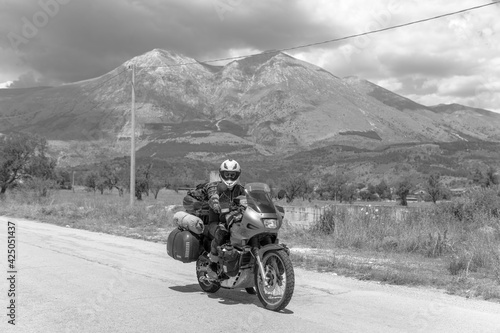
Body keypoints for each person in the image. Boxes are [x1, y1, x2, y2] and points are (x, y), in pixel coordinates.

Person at [205, 159, 245, 279]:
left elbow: (250, 199)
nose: (229, 177)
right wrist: (215, 203)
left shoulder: (241, 189)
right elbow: (213, 196)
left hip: (234, 221)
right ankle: (212, 263)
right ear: (221, 174)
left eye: (232, 175)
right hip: (216, 222)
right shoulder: (214, 187)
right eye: (227, 174)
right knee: (222, 233)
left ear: (237, 175)